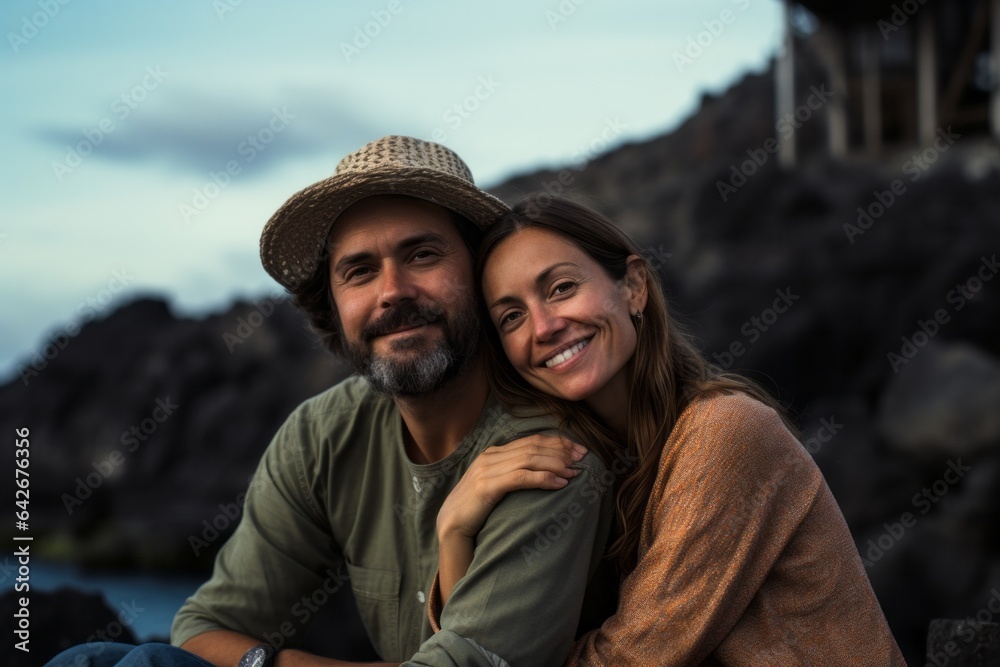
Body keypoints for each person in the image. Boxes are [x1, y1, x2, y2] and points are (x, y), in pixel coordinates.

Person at [43, 137, 616, 667]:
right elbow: (203, 625)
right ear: (334, 307)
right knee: (86, 661)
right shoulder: (324, 433)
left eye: (422, 255)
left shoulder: (548, 446)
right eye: (360, 271)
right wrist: (266, 662)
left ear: (481, 275)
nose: (393, 291)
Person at [429, 194, 907, 665]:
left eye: (561, 288)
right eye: (512, 317)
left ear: (634, 286)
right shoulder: (588, 462)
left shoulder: (724, 431)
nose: (544, 326)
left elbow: (627, 660)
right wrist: (453, 528)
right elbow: (482, 641)